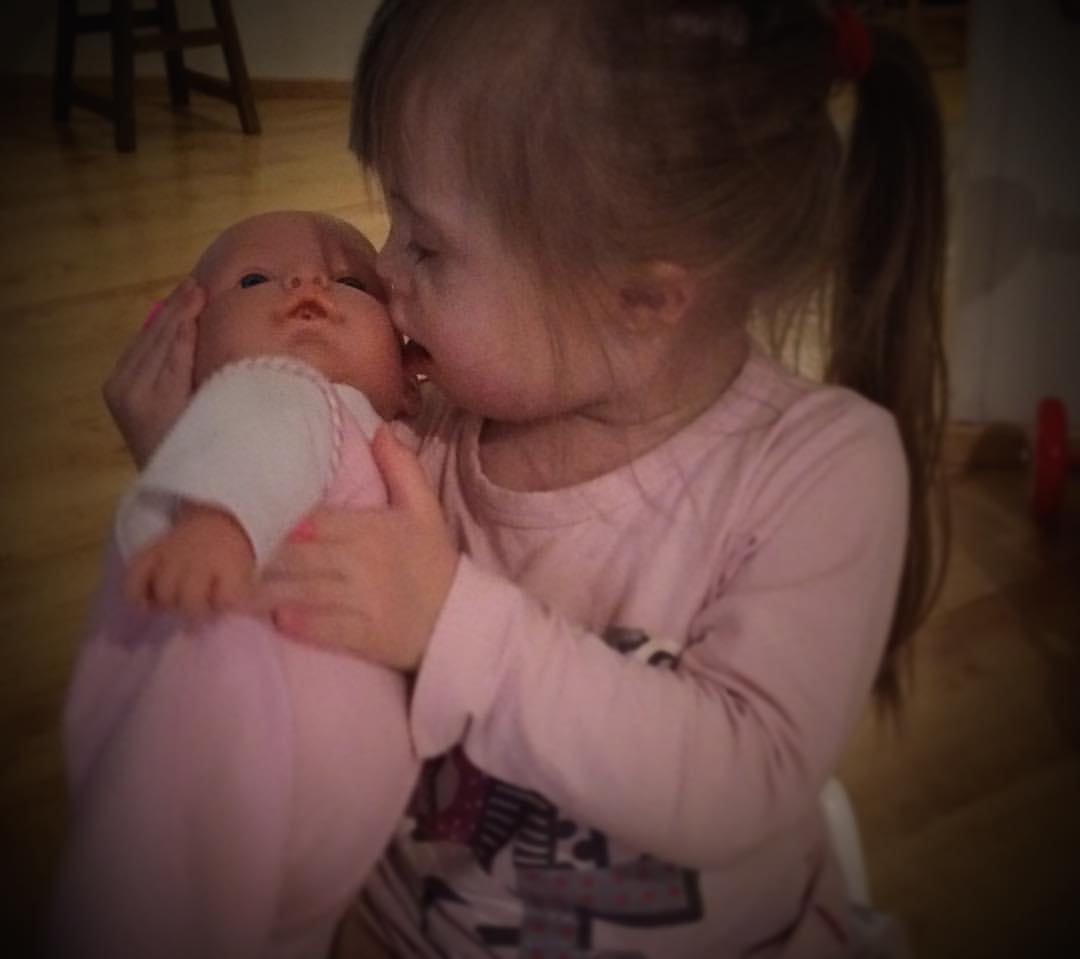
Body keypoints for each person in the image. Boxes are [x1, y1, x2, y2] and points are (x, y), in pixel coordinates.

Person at [103, 1, 949, 956]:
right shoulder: (423, 425)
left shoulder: (823, 467)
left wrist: (450, 624)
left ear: (641, 297)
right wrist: (202, 476)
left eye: (428, 243)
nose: (384, 267)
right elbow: (289, 617)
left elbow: (743, 774)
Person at [51, 211, 421, 959]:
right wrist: (222, 520)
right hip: (230, 771)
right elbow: (260, 433)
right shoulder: (279, 388)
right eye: (254, 279)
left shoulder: (384, 432)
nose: (308, 284)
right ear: (186, 347)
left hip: (295, 827)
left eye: (352, 283)